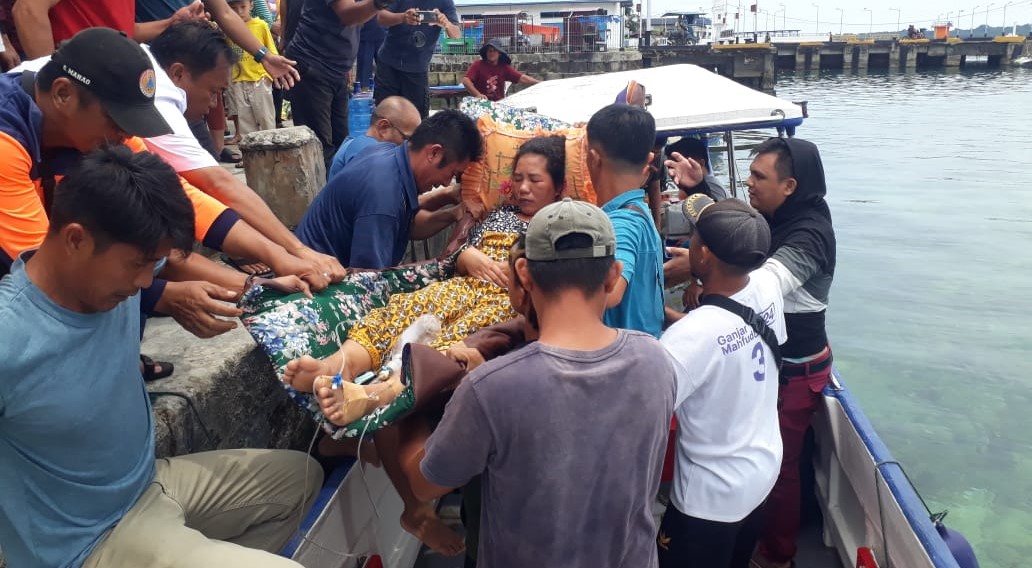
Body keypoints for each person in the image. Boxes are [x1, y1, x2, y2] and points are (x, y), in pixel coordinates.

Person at [0, 145, 322, 568]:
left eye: (152, 265)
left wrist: (254, 286)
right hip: (86, 541)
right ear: (75, 239)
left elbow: (171, 268)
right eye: (137, 265)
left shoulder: (110, 279)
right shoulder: (10, 336)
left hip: (148, 485)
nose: (144, 282)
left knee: (300, 479)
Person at [284, 137, 568, 555]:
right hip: (460, 286)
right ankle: (333, 365)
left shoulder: (556, 227)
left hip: (504, 300)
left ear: (558, 188)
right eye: (518, 178)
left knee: (451, 344)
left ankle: (377, 394)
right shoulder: (496, 215)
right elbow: (455, 252)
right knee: (400, 311)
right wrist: (466, 257)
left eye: (535, 180)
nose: (524, 188)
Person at [410, 198, 677, 567]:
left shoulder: (490, 389)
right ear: (613, 274)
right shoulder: (656, 361)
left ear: (523, 273)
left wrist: (411, 386)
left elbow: (424, 484)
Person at [0, 28, 314, 339]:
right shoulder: (6, 140)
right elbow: (50, 272)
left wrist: (279, 257)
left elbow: (179, 199)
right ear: (63, 94)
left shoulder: (96, 130)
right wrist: (163, 295)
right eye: (117, 122)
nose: (124, 136)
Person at [678, 137, 831, 568]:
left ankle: (777, 557)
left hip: (798, 368)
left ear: (790, 186)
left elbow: (761, 279)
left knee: (781, 468)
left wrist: (701, 268)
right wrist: (700, 188)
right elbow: (741, 227)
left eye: (758, 177)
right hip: (771, 354)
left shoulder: (810, 235)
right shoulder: (780, 214)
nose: (748, 183)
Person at [141, 22, 345, 286]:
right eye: (214, 91)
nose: (215, 103)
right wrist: (297, 251)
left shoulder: (148, 62)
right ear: (178, 73)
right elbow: (218, 184)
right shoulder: (160, 101)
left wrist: (276, 257)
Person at [657, 194, 786, 568]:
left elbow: (645, 417)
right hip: (760, 473)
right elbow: (723, 341)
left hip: (708, 500)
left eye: (694, 239)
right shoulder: (765, 285)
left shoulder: (689, 340)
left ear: (705, 254)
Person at [295, 108, 482, 269]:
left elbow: (406, 226)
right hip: (312, 281)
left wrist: (453, 213)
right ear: (434, 152)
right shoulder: (383, 196)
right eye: (452, 173)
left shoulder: (386, 154)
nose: (445, 183)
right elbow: (368, 280)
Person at [586, 103, 666, 337]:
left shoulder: (620, 223)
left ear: (594, 159)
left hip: (623, 360)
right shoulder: (641, 212)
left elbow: (611, 295)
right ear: (649, 159)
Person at [284, 0, 382, 167]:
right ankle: (324, 191)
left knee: (342, 143)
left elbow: (358, 18)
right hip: (312, 65)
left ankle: (339, 188)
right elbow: (346, 15)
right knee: (319, 147)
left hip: (337, 69)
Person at [374, 0, 460, 118]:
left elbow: (456, 34)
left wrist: (446, 23)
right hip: (388, 63)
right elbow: (380, 17)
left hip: (417, 69)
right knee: (383, 116)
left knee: (417, 120)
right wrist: (403, 17)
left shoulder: (445, 2)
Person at [328, 95, 420, 178]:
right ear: (383, 127)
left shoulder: (358, 145)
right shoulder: (367, 155)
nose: (410, 146)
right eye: (407, 139)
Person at [225, 0, 278, 136]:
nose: (239, 12)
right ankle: (252, 155)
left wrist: (272, 76)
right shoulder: (228, 28)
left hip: (259, 79)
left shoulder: (260, 25)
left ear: (251, 5)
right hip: (238, 80)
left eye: (243, 7)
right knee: (246, 124)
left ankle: (272, 153)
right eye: (234, 8)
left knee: (266, 120)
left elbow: (271, 50)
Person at [460, 39, 539, 102]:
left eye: (494, 50)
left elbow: (521, 78)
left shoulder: (504, 67)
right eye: (489, 51)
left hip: (498, 104)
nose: (492, 53)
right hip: (481, 103)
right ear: (486, 53)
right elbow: (466, 80)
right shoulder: (478, 65)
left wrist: (540, 83)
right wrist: (478, 94)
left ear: (499, 53)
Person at [665, 136, 728, 201]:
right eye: (671, 167)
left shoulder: (712, 187)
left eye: (683, 168)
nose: (674, 173)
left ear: (701, 164)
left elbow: (715, 208)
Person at [356, 17, 386, 91]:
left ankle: (385, 100)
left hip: (383, 36)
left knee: (385, 76)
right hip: (365, 36)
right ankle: (363, 99)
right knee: (363, 81)